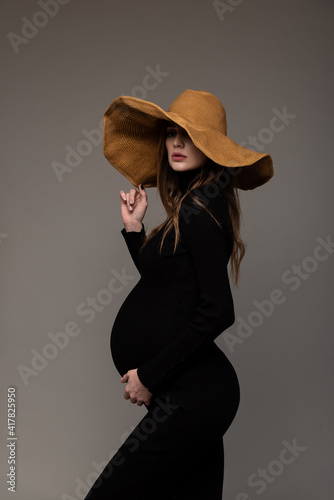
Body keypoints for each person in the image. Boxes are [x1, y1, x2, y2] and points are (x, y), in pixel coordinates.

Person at [84, 89, 274, 500]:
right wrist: (135, 229)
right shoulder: (193, 205)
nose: (176, 142)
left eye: (188, 135)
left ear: (210, 147)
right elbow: (165, 285)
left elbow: (218, 310)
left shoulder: (201, 207)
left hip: (194, 397)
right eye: (171, 133)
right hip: (193, 393)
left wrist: (149, 374)